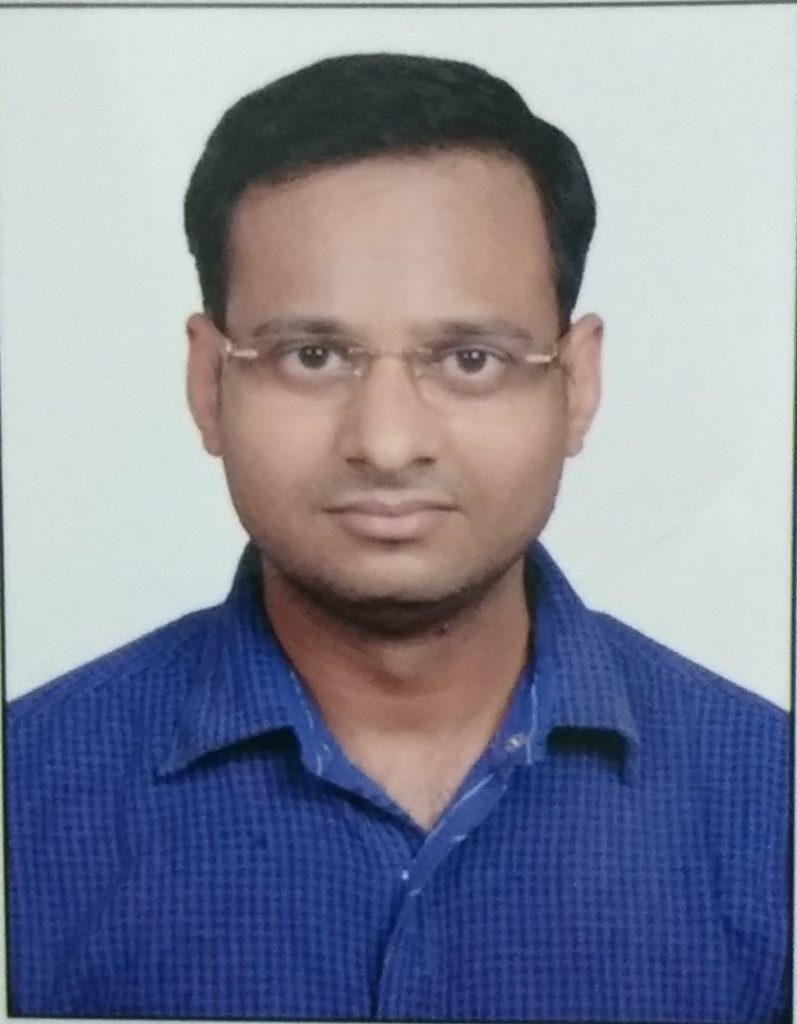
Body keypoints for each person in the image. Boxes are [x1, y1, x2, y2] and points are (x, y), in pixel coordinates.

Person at [6, 52, 789, 1023]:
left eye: (470, 358)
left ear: (576, 383)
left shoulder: (769, 802)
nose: (385, 442)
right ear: (208, 383)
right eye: (312, 355)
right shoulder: (23, 798)